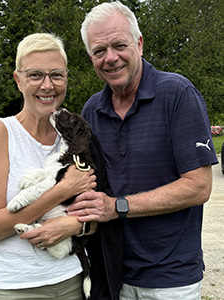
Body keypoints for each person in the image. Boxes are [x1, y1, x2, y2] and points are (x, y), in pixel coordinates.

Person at [67, 1, 219, 300]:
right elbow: (87, 184)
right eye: (99, 51)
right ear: (90, 57)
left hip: (170, 278)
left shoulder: (177, 94)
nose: (110, 58)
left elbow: (199, 187)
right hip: (113, 273)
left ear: (138, 43)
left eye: (119, 45)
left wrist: (117, 207)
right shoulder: (92, 110)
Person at [0, 33, 98, 300]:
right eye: (35, 75)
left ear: (66, 78)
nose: (47, 85)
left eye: (56, 75)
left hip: (70, 279)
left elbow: (94, 215)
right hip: (17, 286)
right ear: (18, 80)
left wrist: (74, 226)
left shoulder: (73, 136)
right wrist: (61, 190)